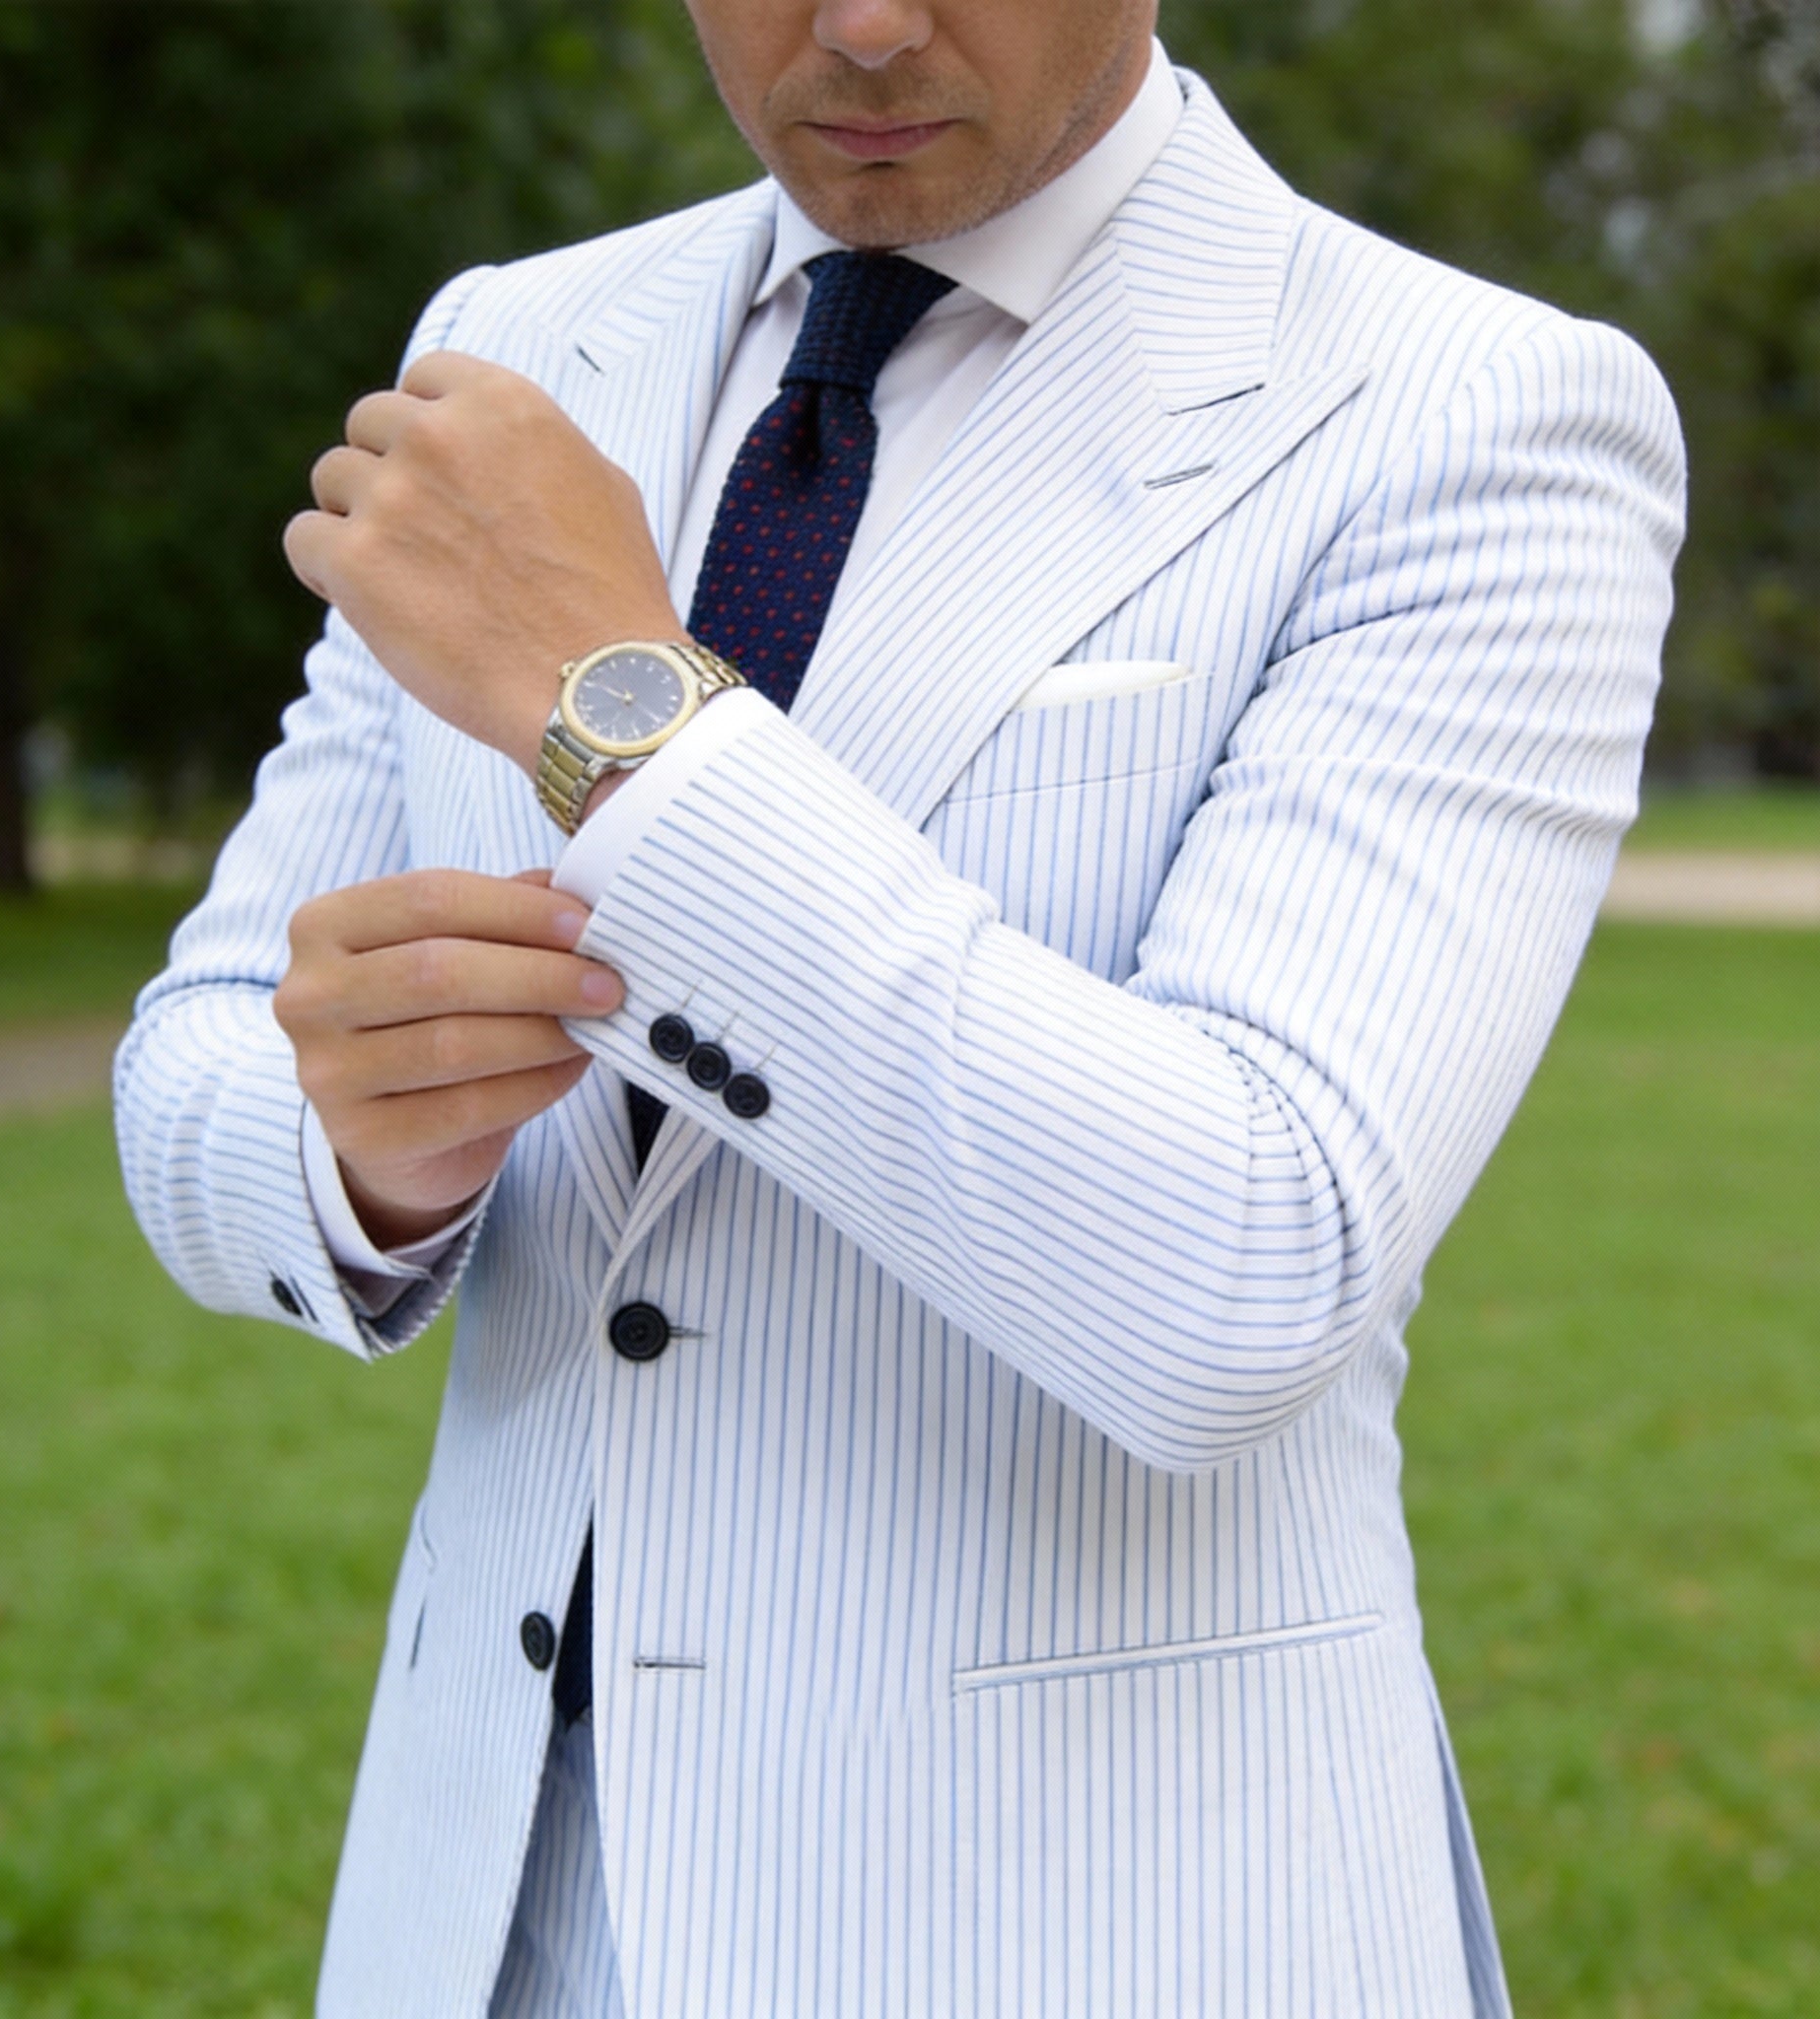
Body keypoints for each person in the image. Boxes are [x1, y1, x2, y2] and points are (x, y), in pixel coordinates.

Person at [114, 0, 1685, 2012]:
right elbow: (198, 1066)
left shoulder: (1472, 411)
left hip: (1089, 1928)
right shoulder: (516, 346)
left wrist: (624, 714)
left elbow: (1241, 1265)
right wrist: (352, 1155)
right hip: (487, 1913)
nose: (861, 24)